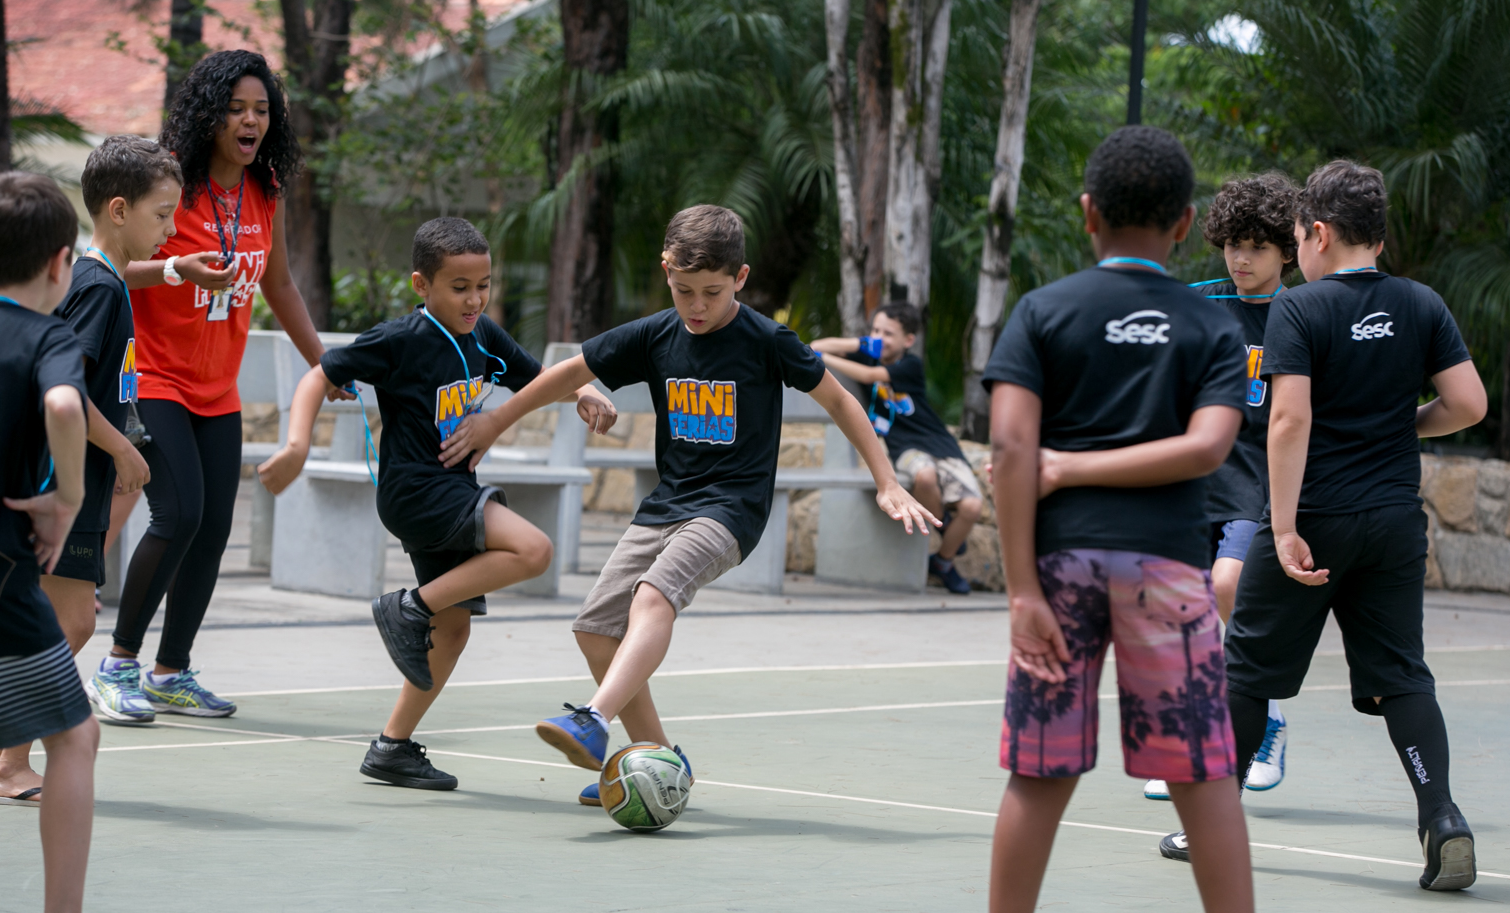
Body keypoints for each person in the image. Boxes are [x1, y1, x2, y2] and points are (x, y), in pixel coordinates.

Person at [969, 127, 1299, 913]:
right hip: (1167, 576)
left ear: (1087, 214)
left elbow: (1009, 453)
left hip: (1060, 575)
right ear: (1190, 226)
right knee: (1205, 780)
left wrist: (1021, 584)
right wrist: (1080, 469)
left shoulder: (1041, 310)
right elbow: (1205, 449)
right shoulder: (1210, 326)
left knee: (1037, 774)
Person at [446, 205, 937, 807]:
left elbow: (839, 401)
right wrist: (495, 420)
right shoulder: (655, 334)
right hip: (667, 504)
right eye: (684, 291)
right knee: (596, 629)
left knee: (654, 597)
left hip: (731, 511)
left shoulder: (765, 339)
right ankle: (661, 764)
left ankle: (593, 721)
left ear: (741, 278)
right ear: (666, 271)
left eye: (712, 291)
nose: (697, 306)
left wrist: (886, 480)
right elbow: (566, 374)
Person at [258, 217, 617, 789]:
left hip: (450, 492)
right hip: (417, 492)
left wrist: (583, 390)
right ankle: (407, 607)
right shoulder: (400, 339)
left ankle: (391, 747)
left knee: (452, 631)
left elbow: (533, 377)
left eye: (484, 284)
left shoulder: (483, 337)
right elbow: (319, 375)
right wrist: (298, 445)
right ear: (422, 285)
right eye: (460, 286)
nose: (475, 298)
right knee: (534, 549)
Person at [1216, 160, 1487, 892]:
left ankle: (1214, 825)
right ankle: (1443, 815)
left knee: (1245, 669)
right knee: (1403, 675)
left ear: (1319, 234)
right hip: (1395, 522)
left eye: (1298, 233)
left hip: (1317, 521)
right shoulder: (1422, 302)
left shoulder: (1298, 310)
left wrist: (1279, 527)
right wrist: (1404, 424)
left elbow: (1289, 419)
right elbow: (1468, 404)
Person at [0, 171, 163, 913]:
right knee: (75, 735)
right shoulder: (45, 337)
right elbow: (67, 409)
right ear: (64, 264)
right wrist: (68, 501)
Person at [87, 50, 347, 721]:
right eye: (236, 108)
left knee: (213, 529)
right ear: (209, 114)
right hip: (154, 376)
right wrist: (179, 273)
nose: (251, 120)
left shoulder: (266, 192)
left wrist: (324, 360)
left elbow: (279, 281)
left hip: (217, 388)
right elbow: (117, 266)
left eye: (261, 110)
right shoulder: (172, 182)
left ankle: (172, 671)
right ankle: (118, 664)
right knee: (179, 515)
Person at [0, 137, 182, 804]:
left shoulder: (98, 278)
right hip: (64, 475)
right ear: (116, 210)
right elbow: (68, 386)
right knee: (69, 621)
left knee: (63, 614)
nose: (169, 229)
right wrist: (122, 449)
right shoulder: (100, 287)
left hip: (77, 474)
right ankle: (5, 762)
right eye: (162, 214)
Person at [1144, 173, 1297, 806]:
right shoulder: (1198, 302)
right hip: (1193, 479)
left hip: (1259, 482)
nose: (1241, 258)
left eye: (1258, 246)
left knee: (1227, 585)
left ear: (1288, 250)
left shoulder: (1304, 310)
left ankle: (1267, 720)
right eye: (1233, 243)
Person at [809, 302, 983, 594]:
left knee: (972, 506)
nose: (879, 339)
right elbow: (816, 343)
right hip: (905, 447)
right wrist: (864, 343)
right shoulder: (866, 355)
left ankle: (942, 561)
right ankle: (946, 529)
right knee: (925, 477)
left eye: (888, 334)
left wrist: (825, 358)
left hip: (941, 443)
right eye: (875, 331)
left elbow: (866, 377)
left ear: (909, 340)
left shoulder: (909, 365)